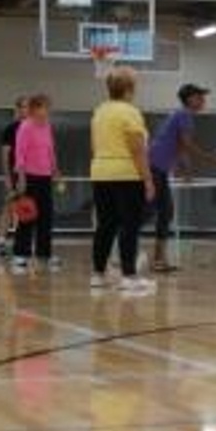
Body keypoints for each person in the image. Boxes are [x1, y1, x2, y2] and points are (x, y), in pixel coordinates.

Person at [90, 67, 156, 295]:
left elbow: (94, 145)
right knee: (130, 225)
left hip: (100, 172)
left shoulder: (100, 111)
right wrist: (148, 179)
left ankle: (97, 275)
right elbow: (138, 150)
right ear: (130, 88)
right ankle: (129, 277)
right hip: (126, 174)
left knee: (105, 225)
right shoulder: (130, 112)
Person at [147, 83, 216, 273]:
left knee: (164, 212)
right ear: (190, 99)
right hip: (153, 168)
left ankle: (158, 259)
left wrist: (185, 169)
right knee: (154, 212)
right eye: (200, 97)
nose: (203, 101)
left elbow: (179, 147)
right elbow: (186, 145)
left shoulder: (180, 115)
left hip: (157, 169)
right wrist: (210, 158)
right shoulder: (184, 115)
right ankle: (148, 258)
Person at [12, 94, 62, 274]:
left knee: (46, 217)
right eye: (45, 107)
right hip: (29, 177)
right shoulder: (25, 127)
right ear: (34, 109)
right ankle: (20, 255)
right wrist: (21, 177)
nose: (48, 111)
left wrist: (55, 169)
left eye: (49, 107)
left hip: (45, 177)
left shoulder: (47, 126)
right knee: (27, 217)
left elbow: (50, 149)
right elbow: (20, 154)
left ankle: (44, 254)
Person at [0, 96, 29, 259]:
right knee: (8, 207)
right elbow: (4, 156)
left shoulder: (33, 129)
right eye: (23, 107)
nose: (26, 111)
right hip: (14, 175)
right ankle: (1, 242)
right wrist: (8, 179)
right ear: (17, 109)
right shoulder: (10, 129)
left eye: (28, 107)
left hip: (29, 175)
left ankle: (22, 244)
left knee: (26, 209)